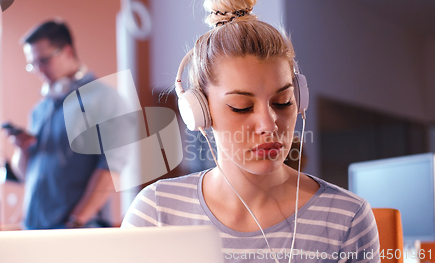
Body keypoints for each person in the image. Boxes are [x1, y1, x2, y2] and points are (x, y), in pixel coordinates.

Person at [121, 0, 380, 262]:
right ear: (200, 112)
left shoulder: (347, 218)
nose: (269, 125)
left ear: (299, 100)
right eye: (241, 107)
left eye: (283, 102)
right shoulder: (156, 211)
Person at [7, 20, 123, 229]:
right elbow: (27, 175)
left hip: (75, 231)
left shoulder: (103, 99)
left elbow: (111, 171)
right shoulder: (41, 109)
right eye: (32, 64)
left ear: (67, 52)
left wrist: (74, 222)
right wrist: (22, 149)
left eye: (43, 60)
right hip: (35, 228)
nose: (38, 70)